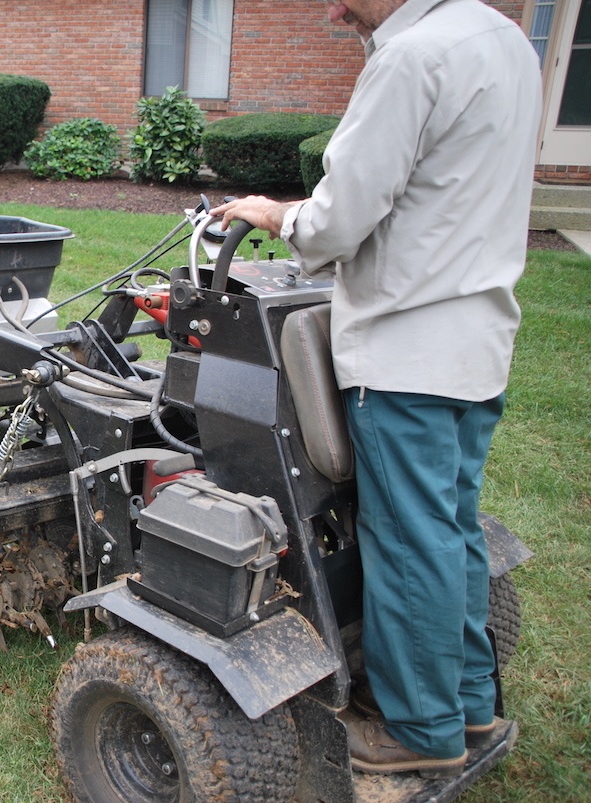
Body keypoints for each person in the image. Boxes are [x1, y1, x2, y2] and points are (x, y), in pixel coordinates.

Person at [212, 0, 541, 779]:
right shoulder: (504, 39)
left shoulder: (411, 57)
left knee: (405, 542)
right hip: (475, 341)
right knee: (449, 528)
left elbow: (336, 222)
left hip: (407, 350)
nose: (332, 7)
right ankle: (467, 701)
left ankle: (420, 731)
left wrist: (274, 213)